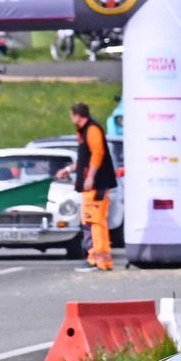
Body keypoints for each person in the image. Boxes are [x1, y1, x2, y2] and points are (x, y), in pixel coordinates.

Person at [56, 103, 118, 272]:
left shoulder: (92, 130)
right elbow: (85, 159)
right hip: (89, 187)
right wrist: (68, 169)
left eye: (72, 115)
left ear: (77, 115)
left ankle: (98, 260)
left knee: (95, 222)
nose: (71, 119)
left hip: (96, 185)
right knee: (90, 222)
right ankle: (97, 259)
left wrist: (90, 177)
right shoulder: (84, 131)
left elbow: (97, 154)